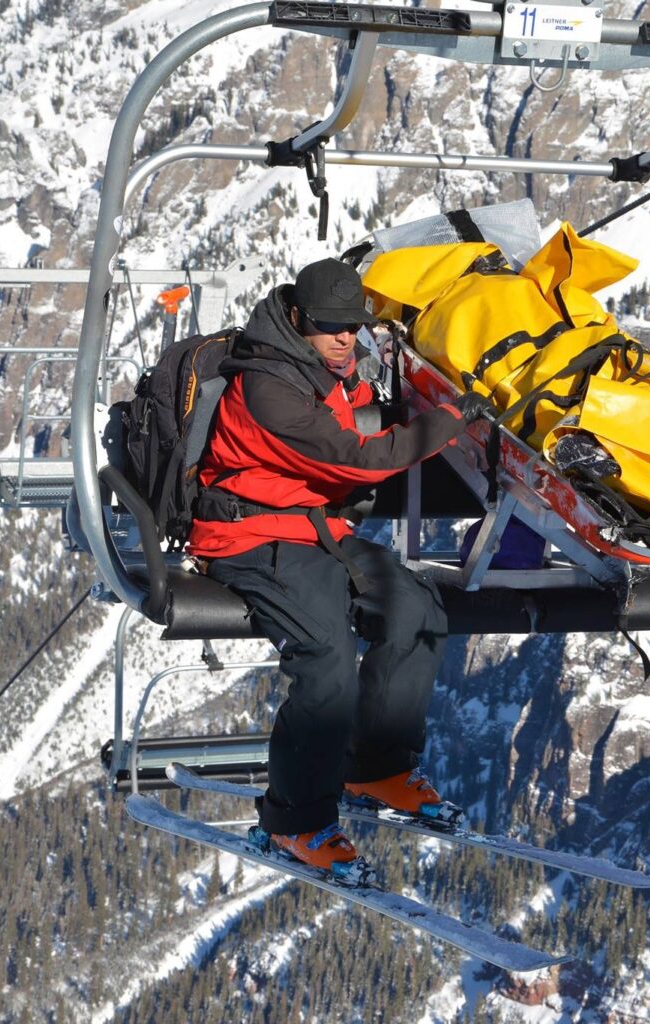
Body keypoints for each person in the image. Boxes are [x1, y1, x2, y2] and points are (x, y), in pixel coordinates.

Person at [187, 257, 489, 875]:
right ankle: (292, 822)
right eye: (329, 324)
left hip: (310, 526)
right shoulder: (268, 387)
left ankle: (376, 769)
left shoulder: (327, 367)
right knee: (326, 658)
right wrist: (454, 417)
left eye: (351, 325)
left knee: (417, 608)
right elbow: (357, 458)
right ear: (297, 318)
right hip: (247, 533)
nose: (343, 336)